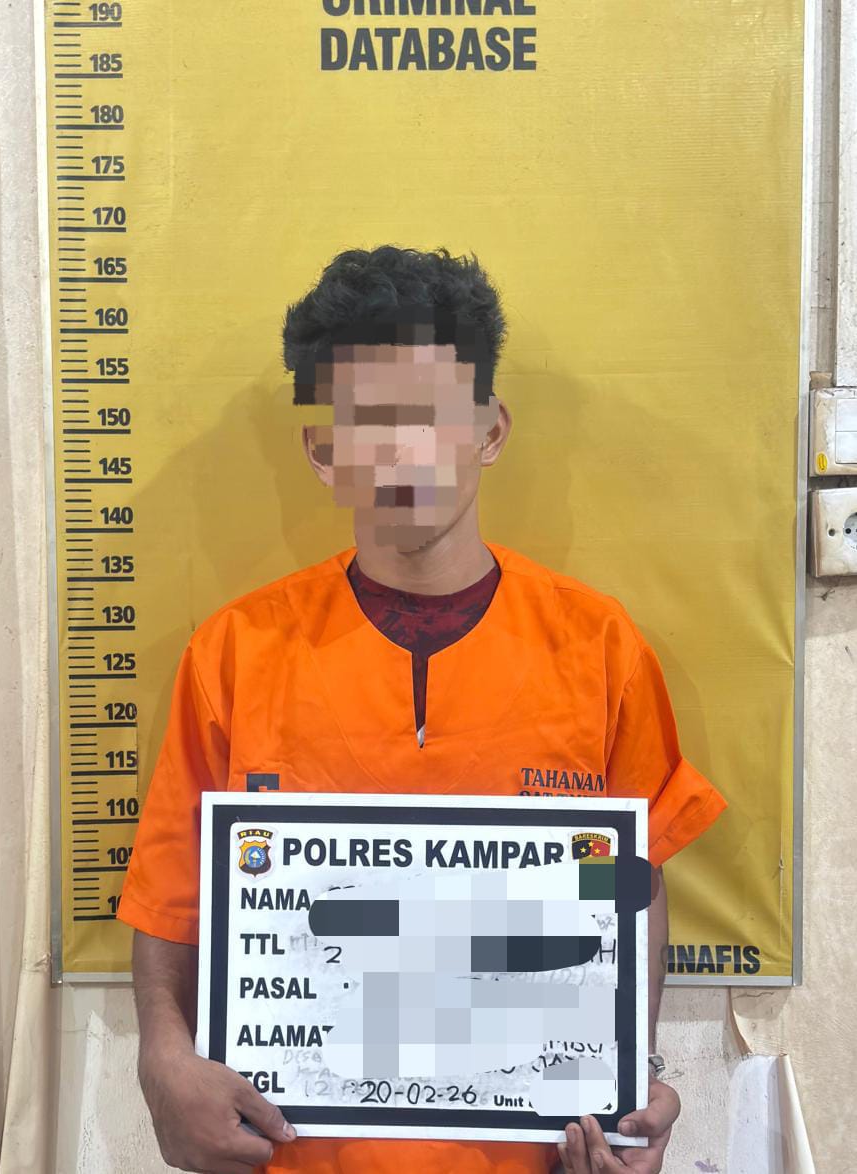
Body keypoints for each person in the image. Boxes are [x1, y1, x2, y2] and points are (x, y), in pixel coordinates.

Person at [117, 244, 728, 1174]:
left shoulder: (600, 647)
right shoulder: (235, 653)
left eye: (432, 413)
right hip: (297, 1155)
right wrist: (162, 1060)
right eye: (367, 420)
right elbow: (171, 897)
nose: (402, 451)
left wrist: (626, 1084)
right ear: (323, 453)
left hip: (530, 1156)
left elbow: (629, 885)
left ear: (490, 430)